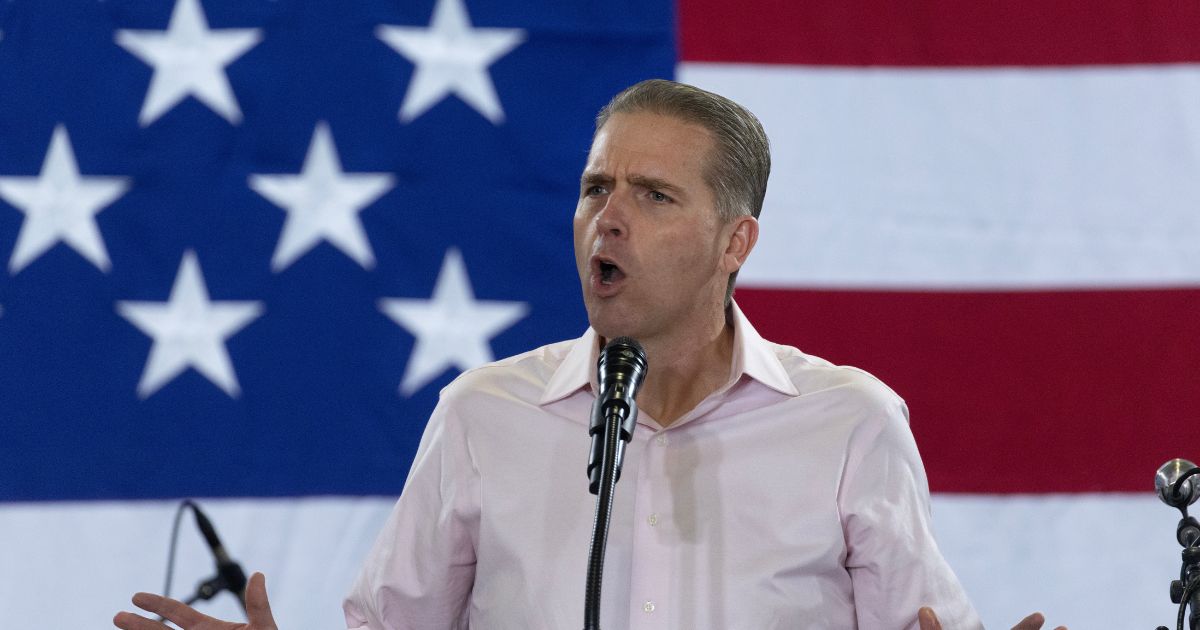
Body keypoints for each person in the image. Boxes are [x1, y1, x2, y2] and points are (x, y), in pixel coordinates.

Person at [115, 80, 1066, 630]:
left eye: (653, 195)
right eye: (594, 187)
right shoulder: (484, 415)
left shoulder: (849, 423)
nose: (607, 218)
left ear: (735, 244)